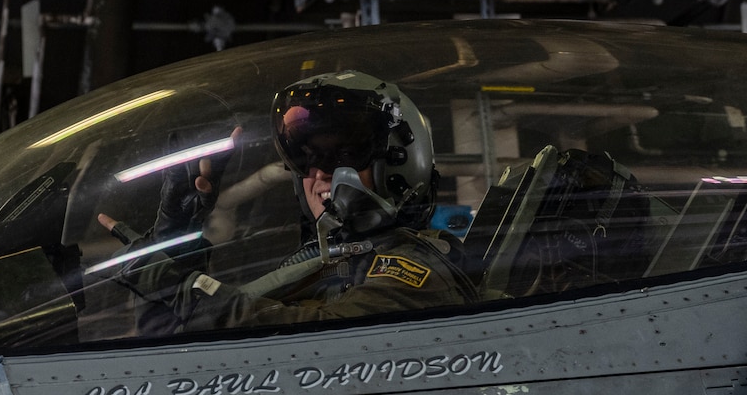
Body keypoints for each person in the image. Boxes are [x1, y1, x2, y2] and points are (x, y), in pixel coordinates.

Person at [98, 70, 475, 333]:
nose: (320, 175)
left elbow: (318, 347)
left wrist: (172, 283)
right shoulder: (331, 264)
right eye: (306, 160)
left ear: (400, 162)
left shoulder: (412, 269)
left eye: (343, 154)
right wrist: (175, 230)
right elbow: (176, 342)